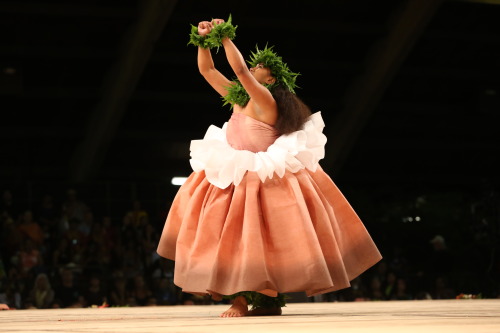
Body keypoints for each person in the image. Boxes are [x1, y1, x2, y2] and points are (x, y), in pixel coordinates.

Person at [157, 17, 382, 317]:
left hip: (264, 179)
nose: (252, 67)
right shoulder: (239, 97)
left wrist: (224, 36)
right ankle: (244, 299)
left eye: (259, 66)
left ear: (271, 80)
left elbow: (238, 70)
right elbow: (207, 70)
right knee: (233, 241)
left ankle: (263, 300)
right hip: (236, 174)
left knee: (260, 243)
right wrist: (202, 40)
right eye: (252, 65)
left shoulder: (264, 100)